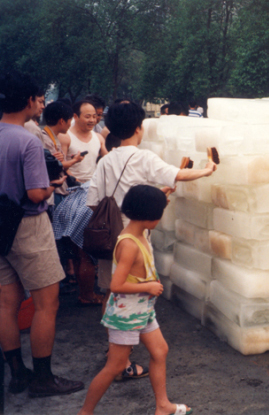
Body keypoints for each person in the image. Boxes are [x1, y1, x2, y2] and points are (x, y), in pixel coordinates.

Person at [86, 102, 217, 380]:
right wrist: (207, 170)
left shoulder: (105, 160)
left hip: (107, 237)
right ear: (138, 128)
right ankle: (123, 362)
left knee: (111, 293)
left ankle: (115, 353)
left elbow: (92, 202)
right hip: (133, 237)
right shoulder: (142, 157)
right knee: (136, 293)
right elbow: (177, 173)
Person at [0, 71, 84, 397]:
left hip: (1, 225)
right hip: (27, 226)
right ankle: (44, 379)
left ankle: (17, 373)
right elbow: (36, 194)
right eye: (39, 99)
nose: (41, 105)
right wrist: (55, 183)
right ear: (28, 101)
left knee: (6, 303)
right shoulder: (27, 140)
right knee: (46, 305)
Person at [78, 185, 193, 415]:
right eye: (159, 214)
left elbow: (147, 214)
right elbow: (116, 285)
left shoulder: (139, 230)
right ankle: (85, 412)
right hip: (126, 315)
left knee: (160, 351)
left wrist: (161, 198)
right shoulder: (130, 244)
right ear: (150, 216)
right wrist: (148, 285)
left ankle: (162, 406)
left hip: (142, 310)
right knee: (115, 366)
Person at [61, 100, 107, 183]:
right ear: (75, 116)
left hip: (92, 186)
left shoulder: (98, 138)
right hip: (71, 187)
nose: (92, 120)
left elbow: (108, 159)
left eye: (94, 116)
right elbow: (61, 165)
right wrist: (77, 182)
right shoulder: (65, 137)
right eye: (87, 117)